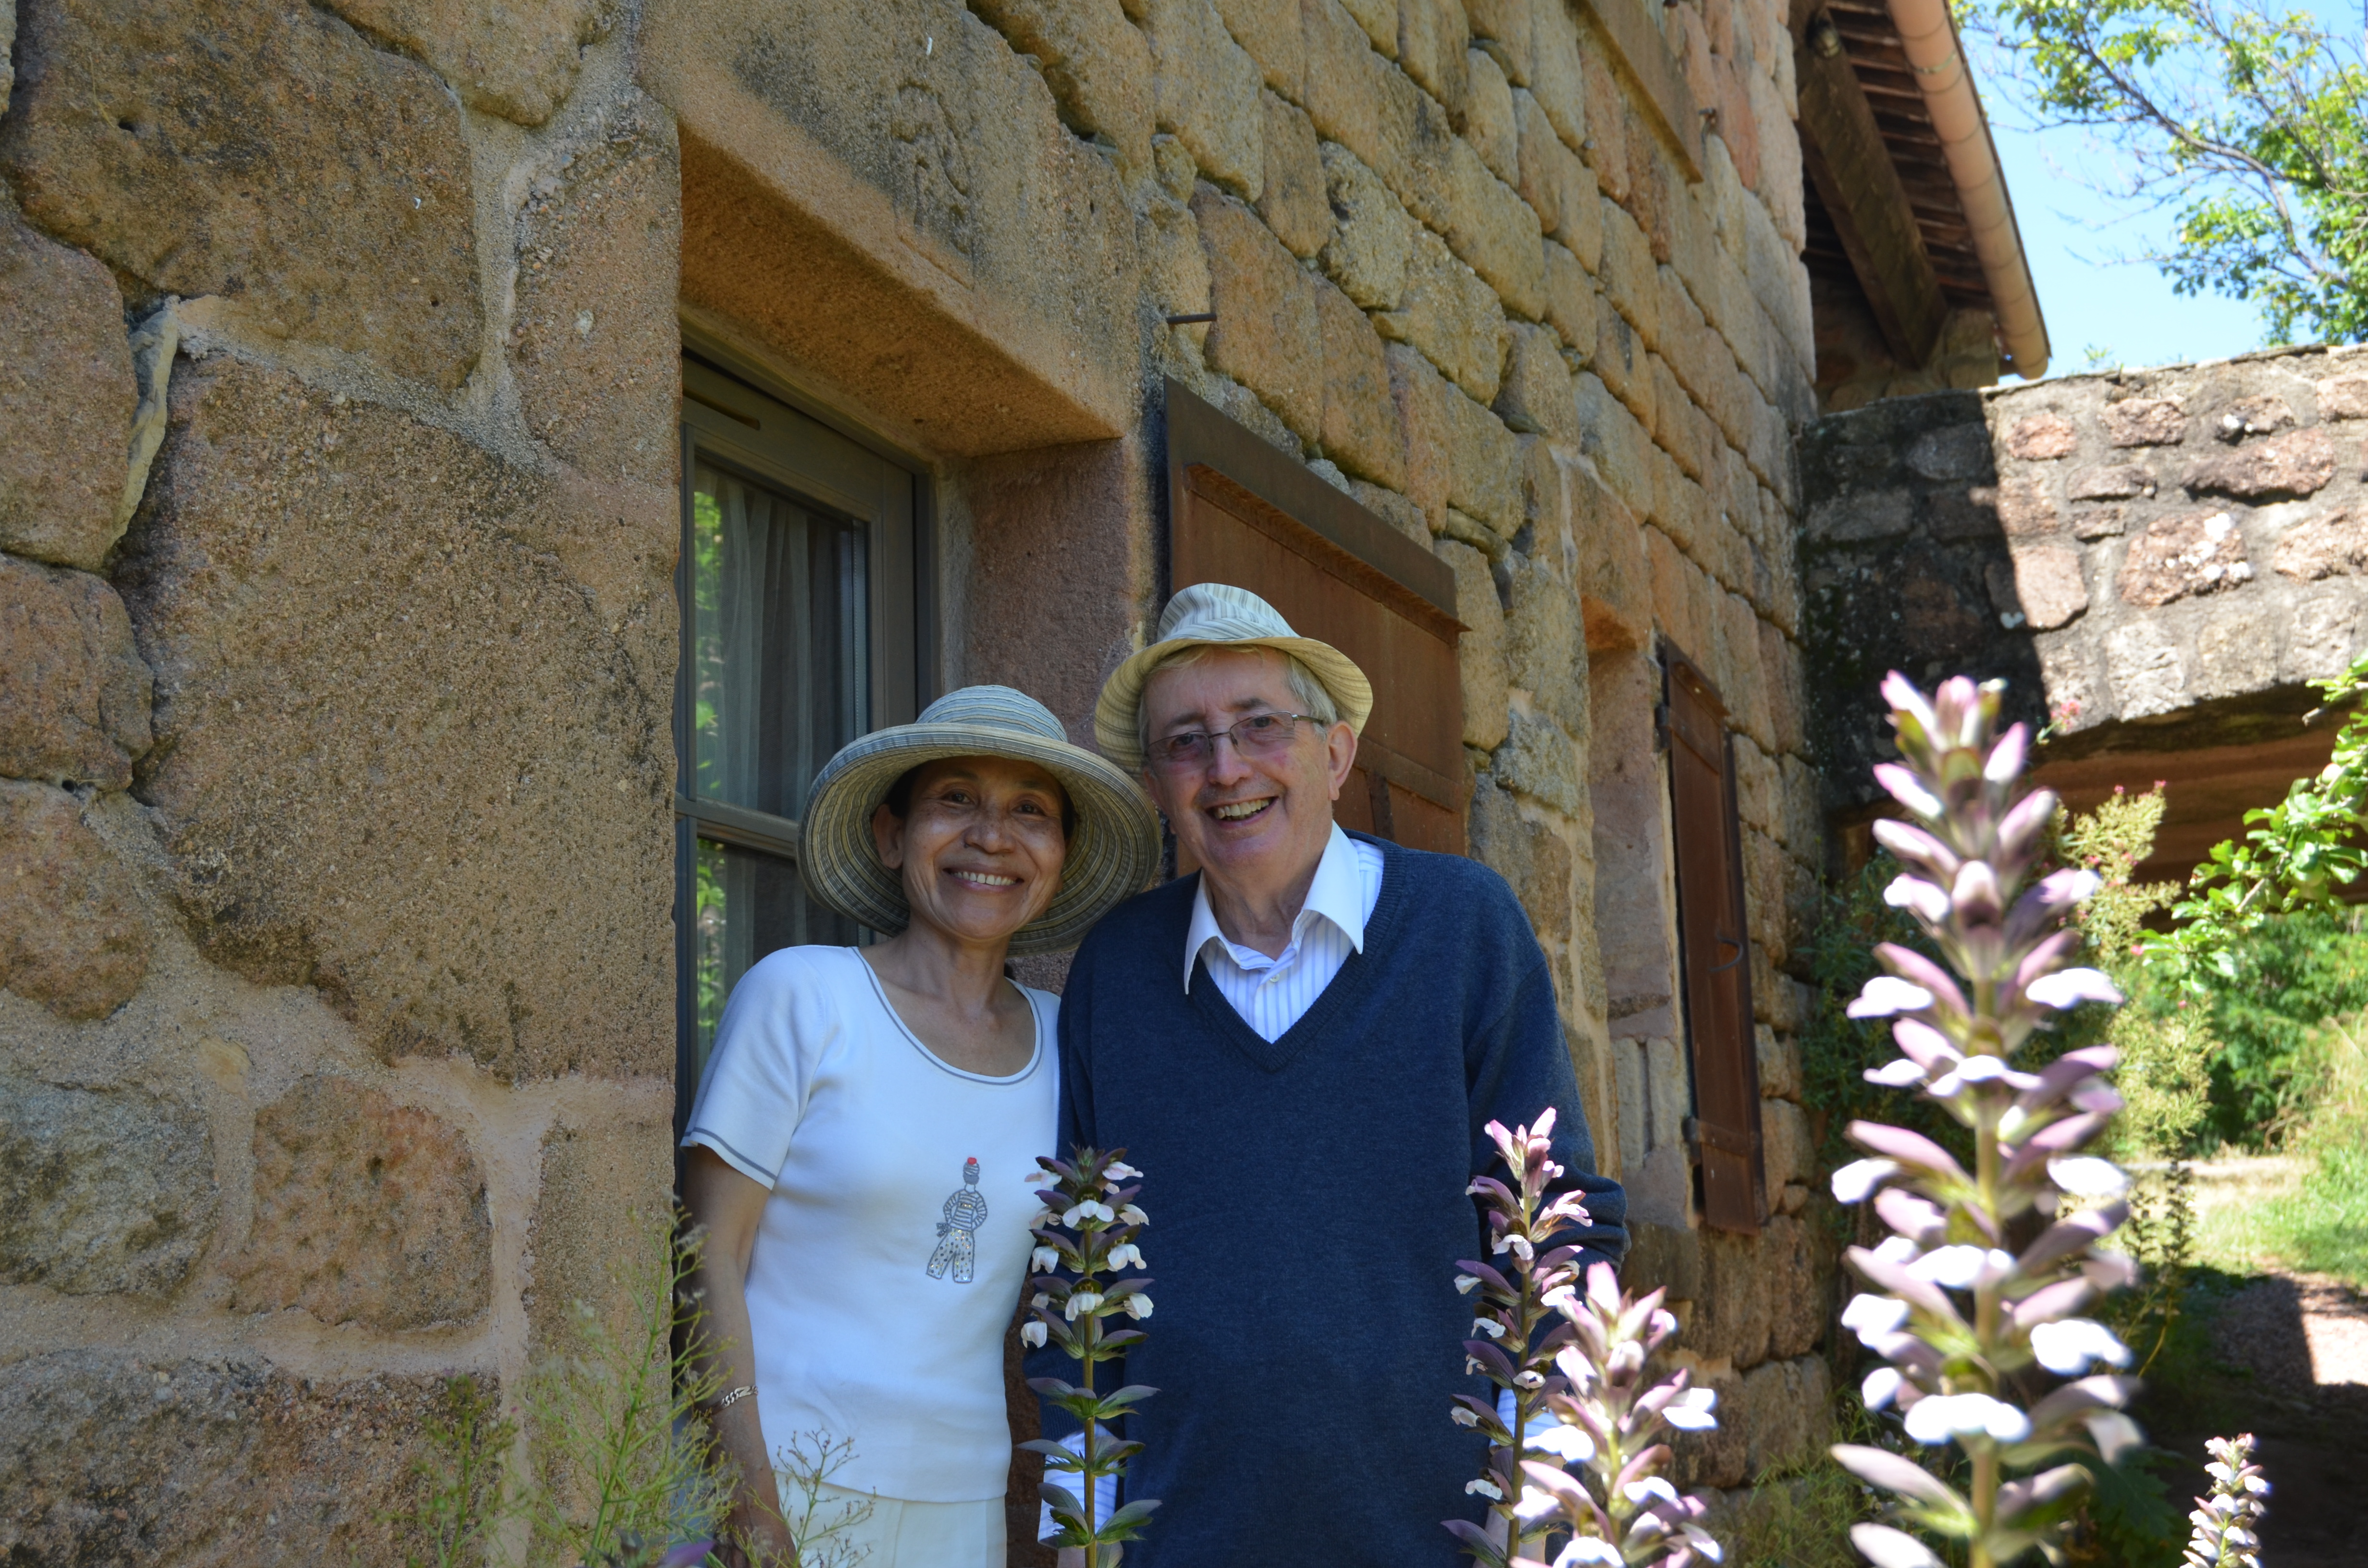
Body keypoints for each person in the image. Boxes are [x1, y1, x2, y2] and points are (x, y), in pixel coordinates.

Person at [1036, 584, 1627, 1568]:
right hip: (1179, 1541)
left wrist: (1540, 1505)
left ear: (1335, 754)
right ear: (1157, 784)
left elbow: (1560, 1224)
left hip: (1440, 1534)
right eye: (1186, 741)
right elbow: (1078, 1272)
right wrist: (1083, 1530)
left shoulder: (1461, 928)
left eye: (1260, 726)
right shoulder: (1118, 970)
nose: (1226, 768)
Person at [681, 686, 1160, 1568]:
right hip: (784, 1485)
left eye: (1031, 811)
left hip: (962, 1507)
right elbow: (706, 1259)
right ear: (890, 835)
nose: (991, 835)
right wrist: (747, 1503)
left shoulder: (1070, 1041)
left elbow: (1098, 1289)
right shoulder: (803, 998)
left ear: (1058, 855)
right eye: (956, 800)